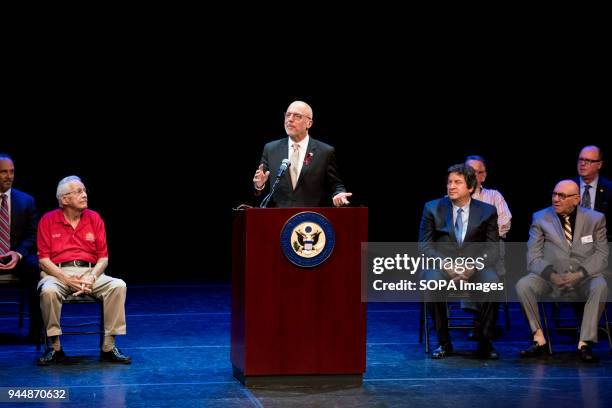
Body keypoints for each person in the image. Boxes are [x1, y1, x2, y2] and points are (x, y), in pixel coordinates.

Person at [37, 176, 130, 365]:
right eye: (79, 191)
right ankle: (55, 348)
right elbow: (44, 260)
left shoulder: (94, 218)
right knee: (48, 291)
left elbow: (103, 257)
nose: (84, 195)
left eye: (84, 190)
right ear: (64, 199)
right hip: (57, 274)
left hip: (90, 273)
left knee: (118, 285)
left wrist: (92, 276)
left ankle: (108, 347)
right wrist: (66, 279)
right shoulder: (47, 220)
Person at [516, 180, 608, 363]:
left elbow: (602, 256)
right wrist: (551, 275)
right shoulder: (540, 218)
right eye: (554, 194)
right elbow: (533, 256)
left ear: (576, 199)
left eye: (562, 196)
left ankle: (584, 343)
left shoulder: (595, 219)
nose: (556, 199)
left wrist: (580, 274)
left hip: (583, 278)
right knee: (523, 285)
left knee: (600, 285)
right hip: (550, 278)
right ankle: (539, 339)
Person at [418, 164, 500, 359]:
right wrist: (447, 265)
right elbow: (424, 247)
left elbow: (492, 249)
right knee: (431, 282)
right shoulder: (432, 208)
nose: (451, 186)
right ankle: (444, 343)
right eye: (449, 182)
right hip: (443, 266)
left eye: (457, 182)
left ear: (470, 187)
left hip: (476, 268)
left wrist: (472, 266)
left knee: (492, 282)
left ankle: (485, 343)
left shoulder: (487, 211)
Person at [252, 100, 352, 207]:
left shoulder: (325, 151)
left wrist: (339, 194)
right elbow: (260, 189)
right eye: (288, 115)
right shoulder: (271, 149)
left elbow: (335, 184)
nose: (290, 119)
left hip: (311, 218)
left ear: (309, 123)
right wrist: (259, 185)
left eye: (297, 116)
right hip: (279, 218)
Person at [462, 155, 512, 334]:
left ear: (483, 176)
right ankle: (484, 321)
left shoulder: (494, 196)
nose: (472, 175)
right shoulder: (451, 197)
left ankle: (480, 321)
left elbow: (505, 223)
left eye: (477, 172)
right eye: (468, 171)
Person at [0, 153, 40, 342]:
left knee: (35, 268)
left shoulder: (26, 201)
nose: (9, 176)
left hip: (15, 256)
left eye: (11, 172)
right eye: (3, 172)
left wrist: (18, 253)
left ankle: (35, 333)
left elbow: (32, 235)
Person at [574, 145, 612, 240]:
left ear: (599, 165)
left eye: (588, 161)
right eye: (580, 159)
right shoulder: (567, 186)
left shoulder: (610, 189)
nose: (582, 163)